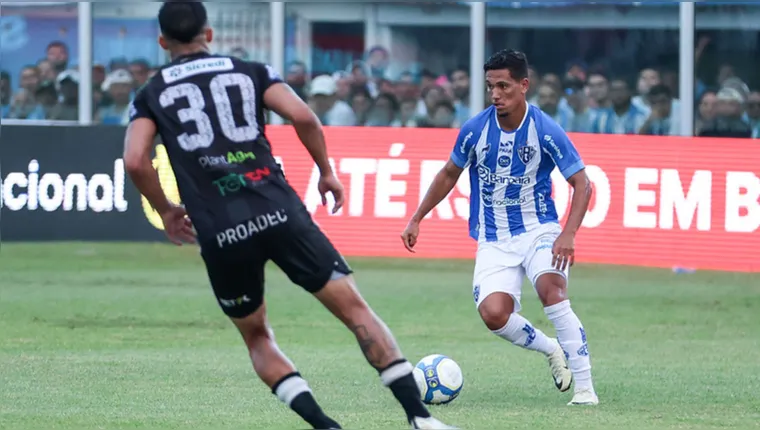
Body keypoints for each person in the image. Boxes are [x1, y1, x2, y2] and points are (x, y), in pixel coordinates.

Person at [122, 3, 453, 430]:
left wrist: (167, 211)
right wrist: (326, 171)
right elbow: (303, 116)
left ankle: (324, 425)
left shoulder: (151, 93)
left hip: (221, 228)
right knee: (356, 312)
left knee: (257, 335)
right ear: (209, 34)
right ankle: (419, 419)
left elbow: (135, 160)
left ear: (162, 42)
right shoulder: (250, 71)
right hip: (278, 209)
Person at [401, 49, 599, 406]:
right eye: (490, 86)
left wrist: (568, 234)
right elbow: (449, 174)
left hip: (539, 229)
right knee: (493, 314)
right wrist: (417, 216)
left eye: (504, 86)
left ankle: (585, 389)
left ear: (524, 85)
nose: (495, 94)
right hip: (493, 238)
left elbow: (583, 184)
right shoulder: (475, 129)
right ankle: (551, 349)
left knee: (551, 291)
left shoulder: (545, 129)